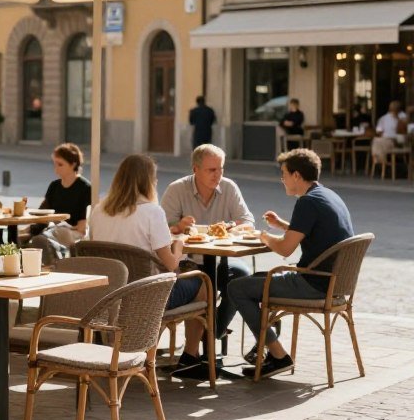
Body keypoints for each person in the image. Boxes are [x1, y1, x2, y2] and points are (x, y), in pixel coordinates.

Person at [228, 148, 354, 379]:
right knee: (257, 279)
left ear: (296, 175)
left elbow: (286, 249)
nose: (282, 179)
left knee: (237, 287)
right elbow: (314, 231)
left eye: (284, 174)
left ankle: (278, 355)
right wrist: (283, 225)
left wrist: (262, 236)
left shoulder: (307, 202)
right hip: (334, 284)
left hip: (313, 283)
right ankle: (266, 346)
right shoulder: (327, 195)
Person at [88, 154, 208, 375]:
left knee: (169, 285)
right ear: (148, 181)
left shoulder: (99, 210)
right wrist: (179, 245)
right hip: (145, 296)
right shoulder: (152, 212)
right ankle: (190, 356)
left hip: (108, 297)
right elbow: (171, 265)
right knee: (203, 283)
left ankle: (142, 351)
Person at [160, 144, 254, 339]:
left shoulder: (228, 187)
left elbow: (247, 222)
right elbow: (161, 228)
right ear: (195, 169)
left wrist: (232, 227)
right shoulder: (177, 189)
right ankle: (202, 340)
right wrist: (178, 226)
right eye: (211, 170)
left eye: (221, 169)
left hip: (221, 258)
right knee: (203, 280)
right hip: (186, 262)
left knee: (242, 277)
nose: (217, 175)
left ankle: (213, 332)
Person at [28, 143, 91, 258]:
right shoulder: (54, 186)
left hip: (73, 234)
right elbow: (43, 212)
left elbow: (82, 227)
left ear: (73, 164)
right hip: (53, 230)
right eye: (55, 164)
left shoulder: (85, 188)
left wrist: (61, 225)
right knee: (25, 234)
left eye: (60, 164)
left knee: (57, 233)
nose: (56, 168)